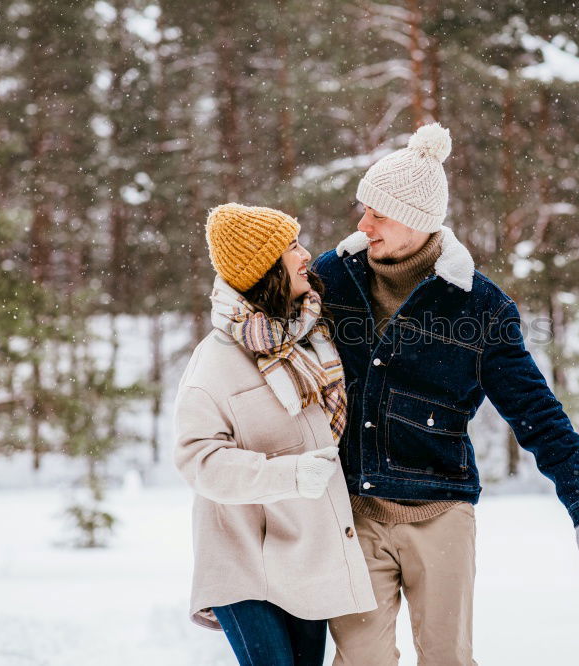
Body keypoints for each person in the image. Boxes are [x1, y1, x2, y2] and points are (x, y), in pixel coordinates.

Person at [311, 123, 579, 665]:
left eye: (377, 213)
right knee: (360, 661)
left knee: (448, 659)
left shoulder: (479, 308)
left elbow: (538, 414)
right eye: (363, 209)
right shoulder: (332, 278)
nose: (363, 224)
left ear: (417, 220)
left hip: (441, 512)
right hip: (352, 512)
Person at [172, 203, 376, 666]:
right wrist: (288, 474)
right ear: (265, 267)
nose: (307, 255)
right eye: (292, 247)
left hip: (306, 555)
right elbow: (197, 459)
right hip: (241, 560)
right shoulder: (217, 358)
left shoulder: (314, 339)